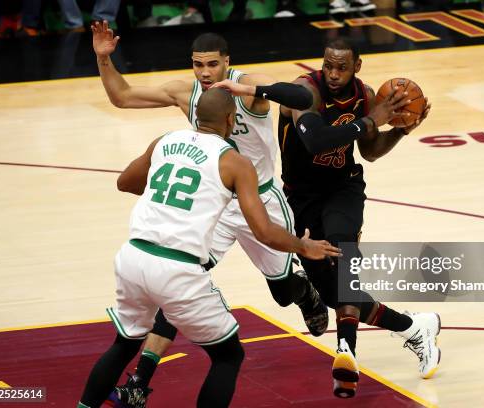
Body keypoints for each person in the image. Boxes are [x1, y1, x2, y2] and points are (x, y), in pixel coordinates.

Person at [91, 23, 329, 406]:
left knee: (282, 293)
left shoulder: (248, 86)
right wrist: (104, 58)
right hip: (214, 201)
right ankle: (139, 382)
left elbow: (302, 96)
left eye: (213, 65)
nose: (205, 73)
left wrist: (254, 91)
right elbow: (122, 96)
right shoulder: (188, 92)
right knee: (181, 283)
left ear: (227, 62)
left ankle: (305, 293)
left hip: (261, 199)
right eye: (198, 65)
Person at [276, 38, 439, 398]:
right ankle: (414, 327)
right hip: (301, 199)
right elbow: (316, 142)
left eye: (342, 67)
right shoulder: (304, 93)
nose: (333, 74)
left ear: (357, 66)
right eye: (328, 66)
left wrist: (398, 130)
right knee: (335, 295)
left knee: (345, 254)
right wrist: (370, 120)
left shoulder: (365, 95)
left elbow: (371, 152)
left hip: (342, 190)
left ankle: (346, 352)